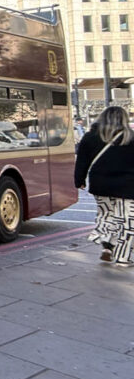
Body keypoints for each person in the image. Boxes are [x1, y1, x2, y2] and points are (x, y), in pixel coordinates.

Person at [74, 106, 134, 267]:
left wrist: (79, 180)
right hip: (128, 186)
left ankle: (107, 245)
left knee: (106, 215)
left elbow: (82, 161)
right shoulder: (131, 136)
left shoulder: (89, 137)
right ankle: (122, 258)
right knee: (127, 221)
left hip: (101, 184)